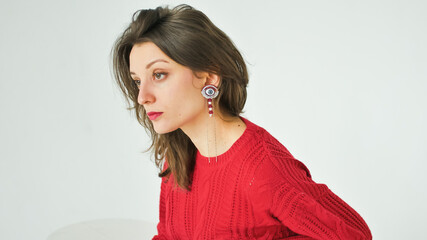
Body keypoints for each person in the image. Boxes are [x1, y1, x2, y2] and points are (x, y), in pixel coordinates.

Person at [111, 4, 372, 240]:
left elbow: (355, 235)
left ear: (209, 77)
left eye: (159, 74)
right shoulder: (179, 155)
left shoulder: (262, 169)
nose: (142, 97)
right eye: (137, 81)